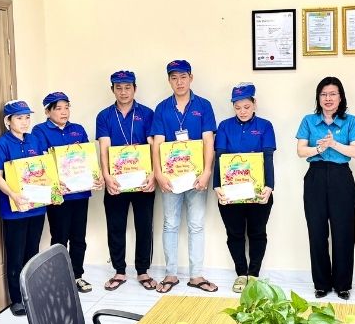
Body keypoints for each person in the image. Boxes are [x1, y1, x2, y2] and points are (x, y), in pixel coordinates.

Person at [150, 59, 218, 293]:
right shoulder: (162, 108)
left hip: (197, 176)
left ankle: (196, 275)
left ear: (191, 78)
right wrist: (158, 174)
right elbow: (157, 143)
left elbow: (208, 140)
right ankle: (170, 274)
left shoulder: (204, 105)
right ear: (169, 80)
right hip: (170, 178)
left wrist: (207, 172)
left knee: (196, 225)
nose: (179, 82)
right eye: (174, 78)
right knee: (170, 224)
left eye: (183, 77)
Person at [296, 76, 355, 300]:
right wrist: (319, 149)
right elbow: (301, 150)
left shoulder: (350, 121)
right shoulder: (308, 120)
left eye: (333, 94)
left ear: (340, 97)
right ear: (318, 97)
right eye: (324, 94)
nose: (328, 98)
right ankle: (321, 284)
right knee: (316, 231)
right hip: (315, 176)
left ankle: (343, 284)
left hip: (341, 177)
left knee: (343, 231)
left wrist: (333, 143)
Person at [32, 91, 104, 293]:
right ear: (47, 112)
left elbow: (87, 157)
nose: (64, 112)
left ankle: (77, 276)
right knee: (60, 237)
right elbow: (42, 162)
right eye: (58, 109)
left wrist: (96, 175)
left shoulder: (77, 129)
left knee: (79, 237)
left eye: (67, 107)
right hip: (59, 195)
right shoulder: (39, 131)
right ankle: (59, 279)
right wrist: (55, 182)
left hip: (80, 193)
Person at [96, 71, 156, 292]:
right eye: (119, 88)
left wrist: (154, 174)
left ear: (134, 89)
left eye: (127, 87)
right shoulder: (104, 116)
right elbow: (104, 147)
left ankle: (143, 271)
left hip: (143, 181)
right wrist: (106, 176)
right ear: (112, 90)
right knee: (115, 226)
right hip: (116, 181)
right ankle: (119, 271)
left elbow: (153, 146)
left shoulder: (147, 113)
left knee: (144, 226)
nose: (123, 92)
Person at [213, 83, 277, 293]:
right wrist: (217, 186)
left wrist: (269, 186)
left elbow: (268, 157)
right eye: (238, 107)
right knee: (235, 234)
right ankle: (241, 273)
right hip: (230, 192)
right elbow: (220, 157)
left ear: (254, 104)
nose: (242, 111)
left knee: (258, 233)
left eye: (247, 107)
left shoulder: (265, 126)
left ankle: (254, 275)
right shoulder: (224, 126)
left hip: (258, 191)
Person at [0, 100, 47, 316]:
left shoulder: (35, 140)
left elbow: (44, 169)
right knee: (15, 254)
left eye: (27, 117)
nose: (24, 122)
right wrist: (13, 195)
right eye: (19, 118)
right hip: (14, 210)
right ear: (8, 121)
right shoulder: (2, 144)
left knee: (32, 252)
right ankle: (17, 299)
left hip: (37, 207)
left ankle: (32, 293)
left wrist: (53, 191)